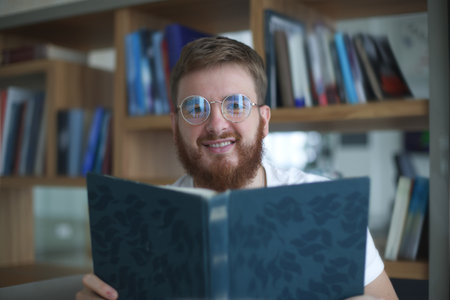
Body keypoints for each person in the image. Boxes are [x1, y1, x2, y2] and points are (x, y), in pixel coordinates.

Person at [77, 36, 398, 300]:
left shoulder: (326, 205)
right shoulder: (139, 219)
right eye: (194, 108)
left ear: (264, 120)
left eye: (236, 105)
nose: (216, 125)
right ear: (175, 126)